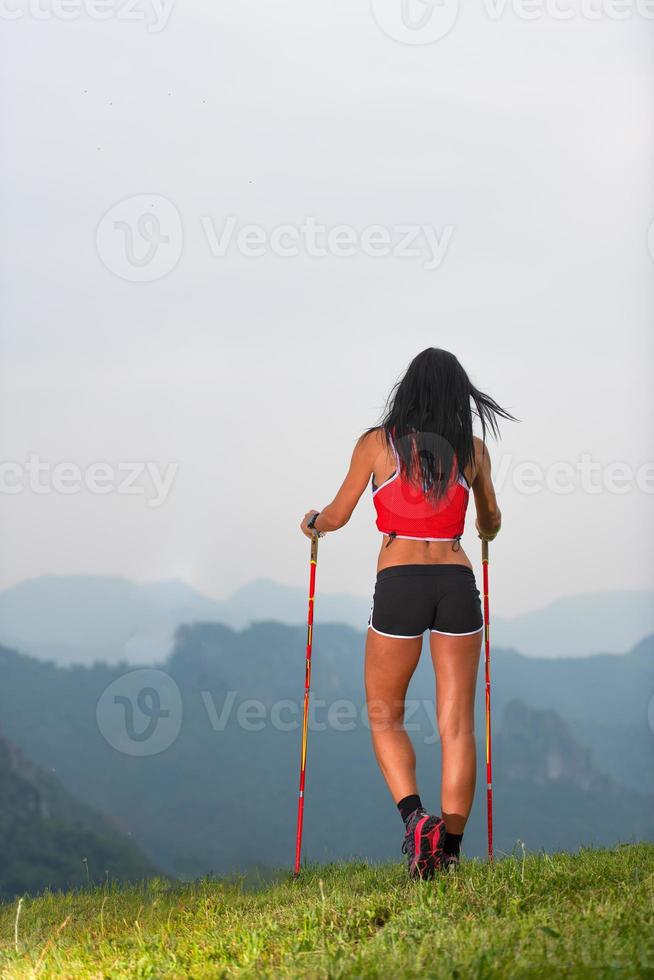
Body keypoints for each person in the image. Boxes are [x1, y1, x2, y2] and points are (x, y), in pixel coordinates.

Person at [300, 347, 515, 879]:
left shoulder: (378, 444)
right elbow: (489, 521)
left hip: (398, 581)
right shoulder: (472, 452)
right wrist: (485, 525)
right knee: (457, 723)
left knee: (384, 712)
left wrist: (313, 524)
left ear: (408, 390)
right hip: (456, 579)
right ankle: (449, 853)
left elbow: (340, 513)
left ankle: (417, 820)